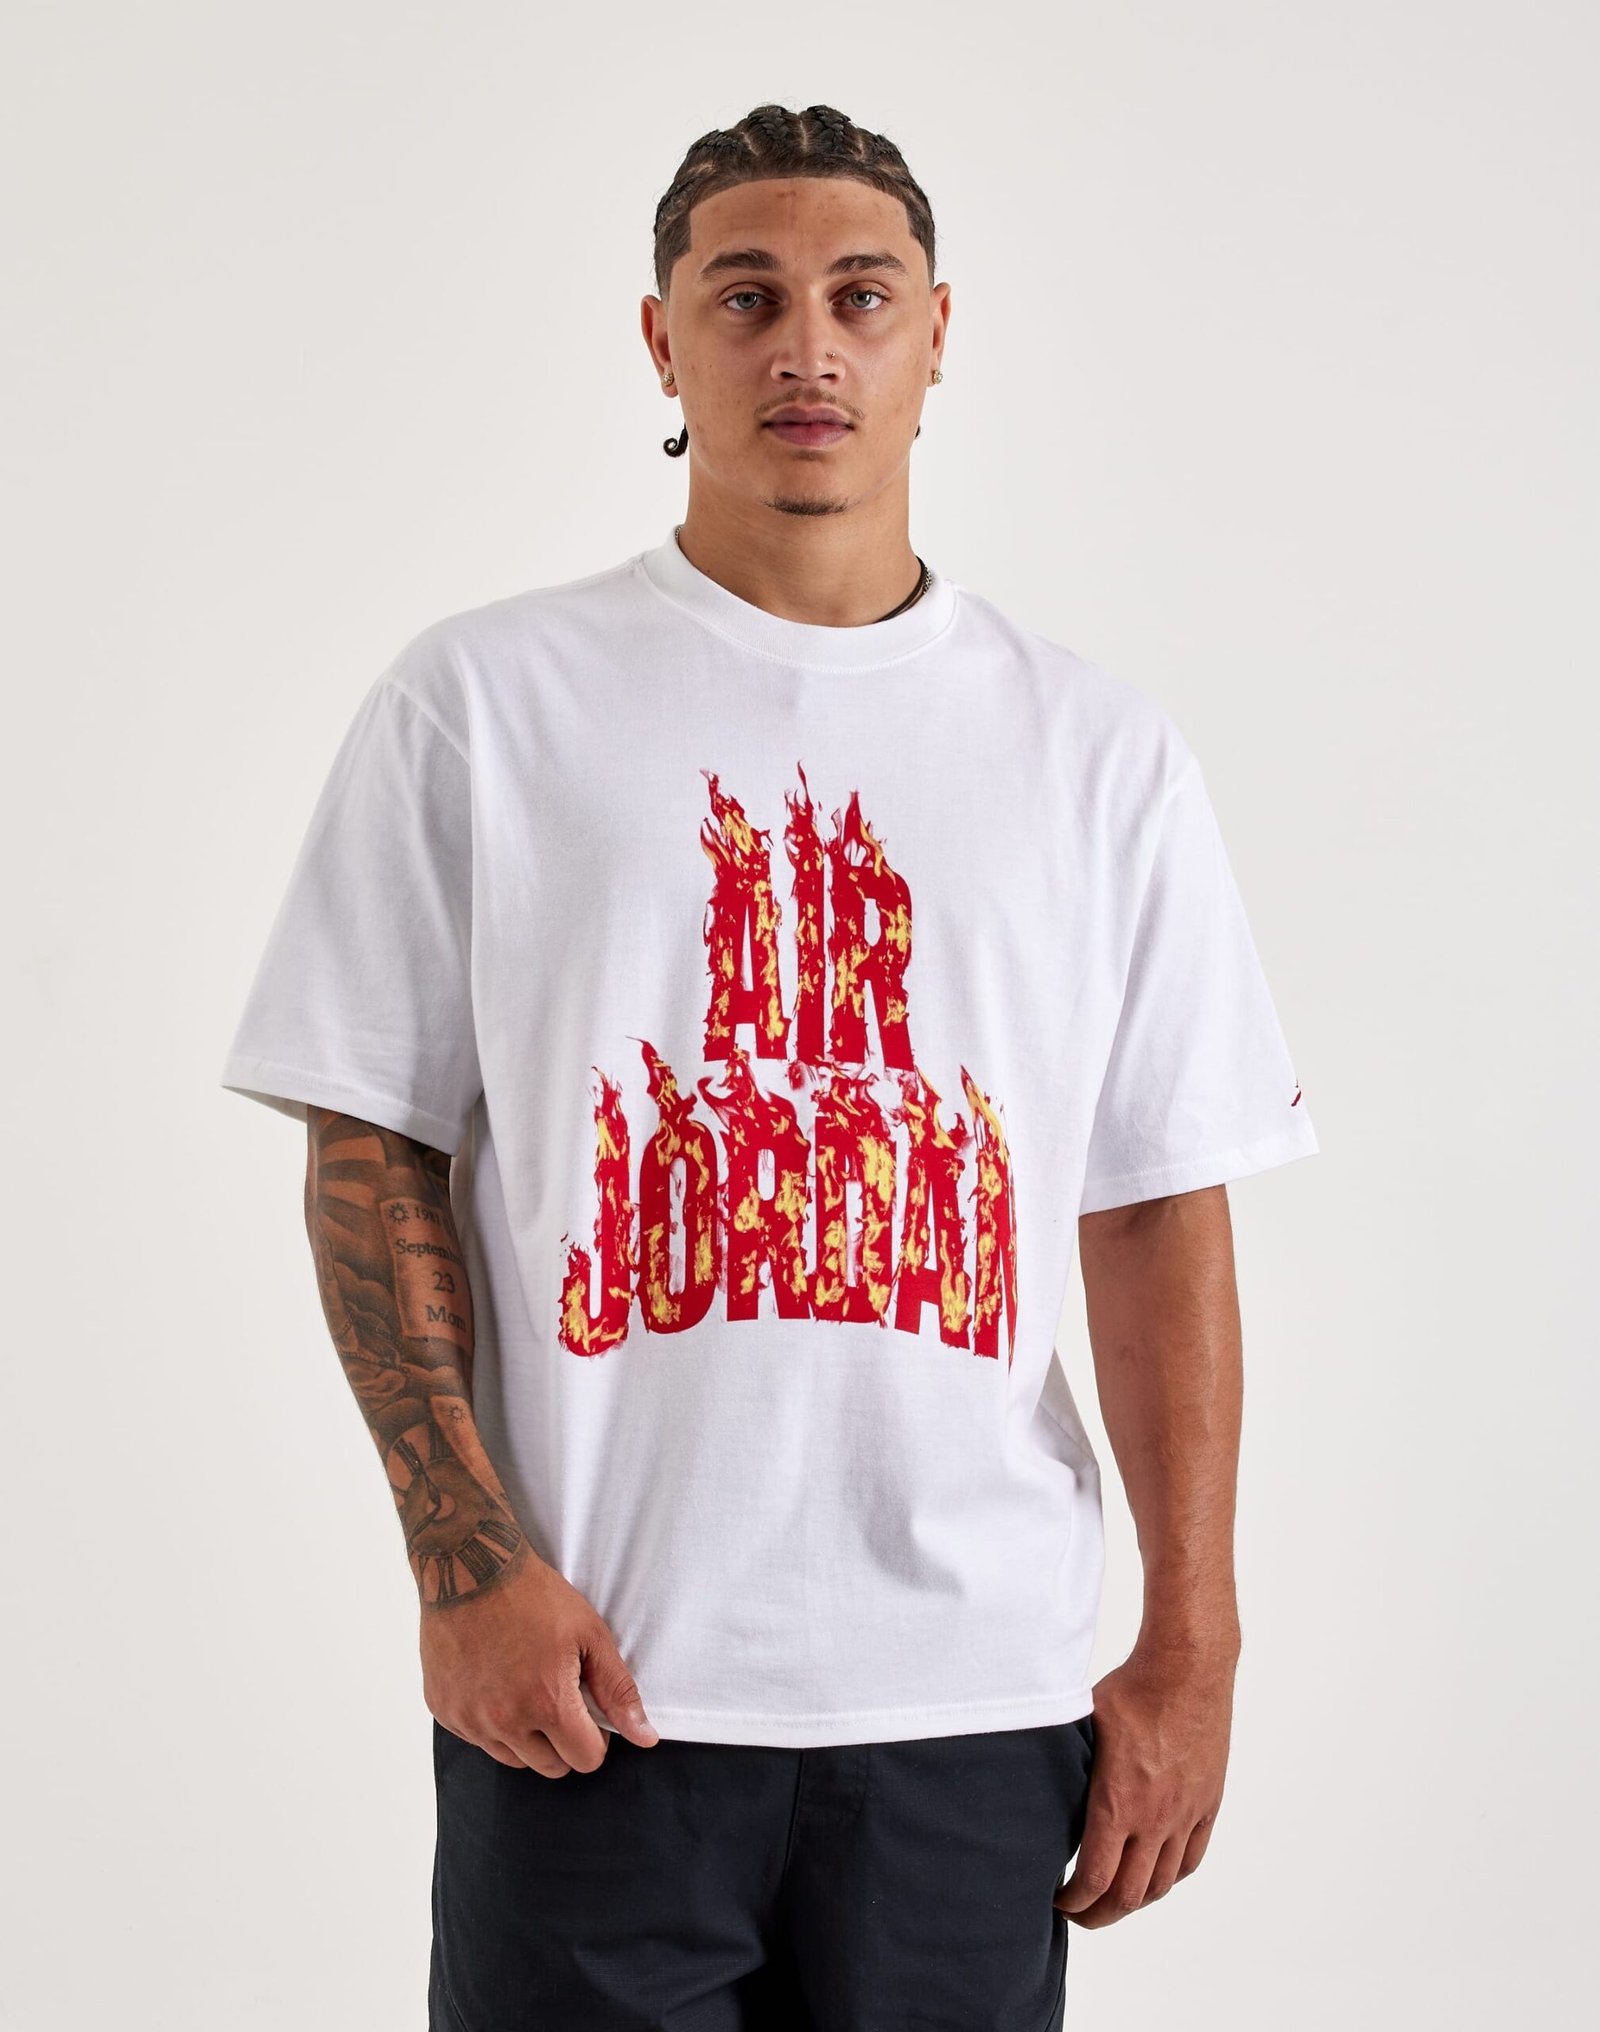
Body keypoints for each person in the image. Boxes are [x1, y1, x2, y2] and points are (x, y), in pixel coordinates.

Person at [219, 101, 1318, 2031]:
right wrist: (464, 1571)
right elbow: (369, 1144)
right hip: (594, 1693)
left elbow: (1155, 1206)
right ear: (664, 342)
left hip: (972, 1700)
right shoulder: (484, 705)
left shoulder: (1094, 752)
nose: (807, 344)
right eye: (746, 298)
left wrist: (1195, 1645)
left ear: (936, 335)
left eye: (859, 296)